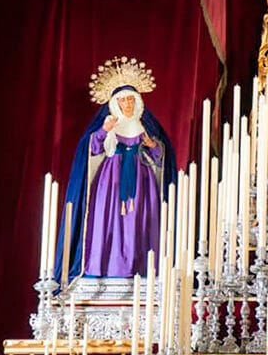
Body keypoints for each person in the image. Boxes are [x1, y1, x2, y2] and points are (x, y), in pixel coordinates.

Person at [55, 57, 177, 281]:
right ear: (116, 103)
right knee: (107, 219)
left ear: (137, 102)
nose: (127, 104)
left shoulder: (145, 126)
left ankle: (140, 268)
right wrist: (104, 130)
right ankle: (106, 266)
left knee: (140, 220)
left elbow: (161, 158)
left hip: (141, 180)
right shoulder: (109, 124)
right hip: (111, 179)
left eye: (131, 100)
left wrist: (152, 146)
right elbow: (92, 148)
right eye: (123, 100)